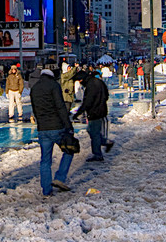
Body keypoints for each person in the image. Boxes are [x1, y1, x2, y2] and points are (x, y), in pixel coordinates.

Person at [28, 63, 77, 192]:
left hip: (43, 128)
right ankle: (60, 178)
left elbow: (35, 108)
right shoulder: (54, 86)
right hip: (57, 126)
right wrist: (68, 126)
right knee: (69, 150)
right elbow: (60, 107)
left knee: (45, 160)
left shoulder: (35, 88)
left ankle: (46, 190)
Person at [76, 67, 113, 163]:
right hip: (101, 110)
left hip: (95, 112)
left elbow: (88, 101)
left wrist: (79, 112)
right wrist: (101, 102)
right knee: (91, 130)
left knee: (94, 133)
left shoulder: (91, 85)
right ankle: (104, 143)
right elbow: (106, 95)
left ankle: (98, 153)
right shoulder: (98, 82)